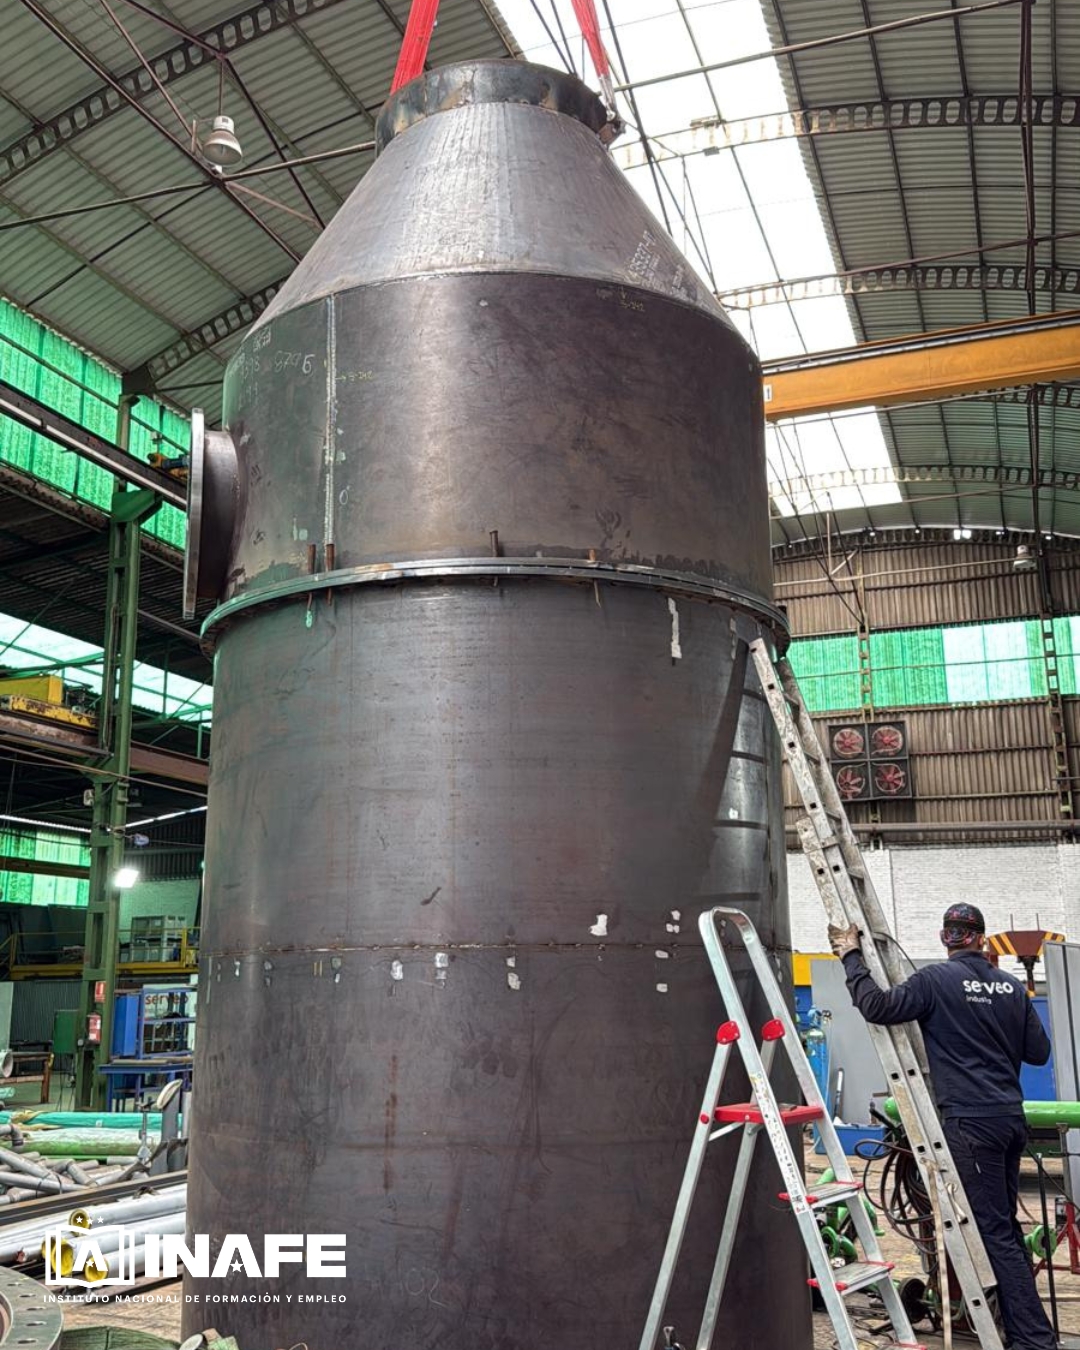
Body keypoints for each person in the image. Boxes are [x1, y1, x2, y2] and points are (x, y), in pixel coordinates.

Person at [829, 902, 1056, 1350]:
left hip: (971, 1123)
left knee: (995, 1235)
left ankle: (1033, 1341)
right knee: (1005, 1229)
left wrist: (850, 956)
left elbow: (876, 1006)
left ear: (944, 938)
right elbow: (1038, 1053)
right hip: (1010, 1119)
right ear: (983, 939)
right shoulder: (1011, 987)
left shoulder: (935, 981)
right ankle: (1025, 1331)